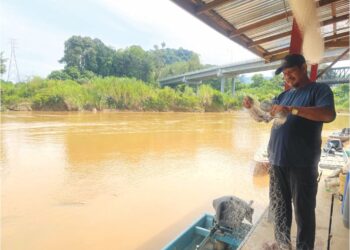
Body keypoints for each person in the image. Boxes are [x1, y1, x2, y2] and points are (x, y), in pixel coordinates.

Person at [243, 54, 336, 250]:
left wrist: (293, 110)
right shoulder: (284, 95)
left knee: (304, 213)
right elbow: (264, 117)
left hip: (301, 164)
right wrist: (252, 108)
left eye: (290, 72)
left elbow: (328, 114)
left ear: (303, 67)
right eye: (284, 74)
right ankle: (283, 244)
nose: (287, 77)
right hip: (277, 162)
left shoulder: (319, 90)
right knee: (280, 209)